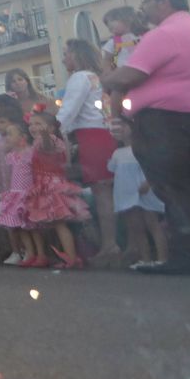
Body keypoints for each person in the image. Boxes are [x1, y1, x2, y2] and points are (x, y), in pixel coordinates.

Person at [101, 0, 190, 275]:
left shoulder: (165, 34)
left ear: (165, 2)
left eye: (147, 1)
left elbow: (127, 76)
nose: (143, 8)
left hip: (165, 123)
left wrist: (109, 79)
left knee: (175, 191)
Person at [57, 39, 117, 265]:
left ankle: (109, 244)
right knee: (105, 191)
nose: (64, 59)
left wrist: (52, 134)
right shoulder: (96, 77)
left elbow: (68, 111)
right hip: (104, 134)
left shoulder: (80, 77)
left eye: (66, 54)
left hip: (91, 136)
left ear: (77, 55)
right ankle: (110, 242)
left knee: (101, 192)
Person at [24, 113, 90, 268]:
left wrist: (45, 135)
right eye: (31, 124)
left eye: (38, 123)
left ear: (51, 128)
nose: (33, 127)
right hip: (45, 184)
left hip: (51, 185)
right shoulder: (41, 141)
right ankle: (66, 255)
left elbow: (47, 146)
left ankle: (72, 258)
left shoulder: (49, 140)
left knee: (60, 224)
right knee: (55, 224)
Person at [107, 118, 167, 267]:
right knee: (136, 227)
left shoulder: (144, 149)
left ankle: (162, 259)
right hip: (127, 193)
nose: (120, 129)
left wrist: (148, 182)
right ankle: (145, 260)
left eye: (124, 125)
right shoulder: (117, 153)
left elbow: (153, 167)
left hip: (144, 190)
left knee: (152, 223)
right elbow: (114, 172)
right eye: (117, 126)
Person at [0, 122, 35, 266]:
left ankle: (35, 253)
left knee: (30, 225)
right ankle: (27, 252)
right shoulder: (12, 155)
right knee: (20, 225)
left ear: (22, 137)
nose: (7, 138)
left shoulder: (30, 153)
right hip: (15, 193)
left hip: (27, 192)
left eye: (11, 134)